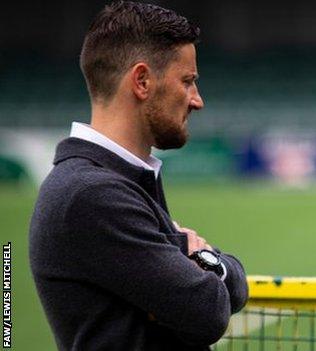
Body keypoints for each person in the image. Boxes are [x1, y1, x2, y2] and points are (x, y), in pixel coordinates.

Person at [29, 2, 248, 350]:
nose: (197, 100)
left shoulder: (117, 181)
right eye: (188, 81)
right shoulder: (90, 194)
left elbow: (235, 287)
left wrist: (196, 263)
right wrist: (201, 258)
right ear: (142, 81)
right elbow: (208, 310)